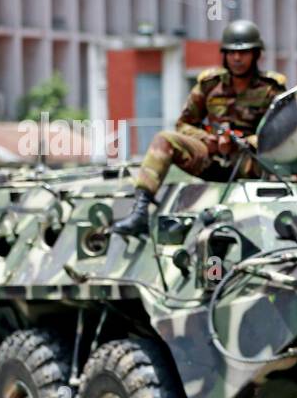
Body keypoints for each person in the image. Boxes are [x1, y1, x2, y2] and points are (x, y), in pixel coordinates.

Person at [112, 19, 287, 236]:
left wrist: (240, 143)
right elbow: (184, 124)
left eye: (244, 52)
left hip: (249, 163)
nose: (237, 58)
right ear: (224, 55)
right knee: (164, 139)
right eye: (231, 52)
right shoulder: (210, 85)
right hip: (211, 158)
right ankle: (139, 212)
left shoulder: (271, 90)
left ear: (256, 54)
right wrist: (208, 141)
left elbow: (281, 135)